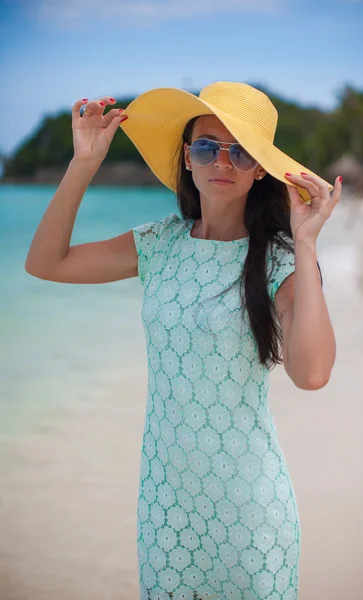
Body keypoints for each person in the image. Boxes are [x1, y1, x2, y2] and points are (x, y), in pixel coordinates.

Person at [25, 81, 340, 600]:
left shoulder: (280, 263)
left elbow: (312, 374)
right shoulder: (158, 244)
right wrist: (83, 164)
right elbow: (45, 263)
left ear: (260, 167)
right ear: (187, 159)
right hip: (166, 503)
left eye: (240, 150)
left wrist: (305, 244)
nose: (222, 161)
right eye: (206, 147)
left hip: (248, 506)